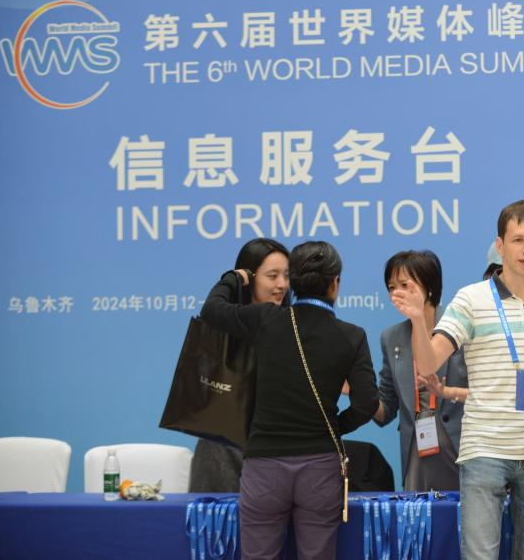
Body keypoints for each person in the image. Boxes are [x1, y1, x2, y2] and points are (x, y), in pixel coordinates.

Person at [398, 200, 524, 560]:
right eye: (518, 240)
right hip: (485, 449)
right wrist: (418, 319)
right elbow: (429, 363)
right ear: (500, 245)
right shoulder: (471, 299)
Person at [200, 240, 378, 560]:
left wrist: (235, 277)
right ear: (335, 283)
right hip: (320, 467)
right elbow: (366, 404)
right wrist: (333, 427)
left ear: (293, 282)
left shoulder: (266, 319)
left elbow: (212, 310)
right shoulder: (352, 335)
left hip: (264, 465)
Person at [189, 237, 290, 493]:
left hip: (274, 450)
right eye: (272, 276)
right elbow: (211, 311)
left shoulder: (291, 324)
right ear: (250, 277)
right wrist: (235, 278)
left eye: (287, 276)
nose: (282, 284)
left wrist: (232, 278)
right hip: (223, 445)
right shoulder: (229, 321)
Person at [373, 249, 468, 491]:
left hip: (462, 448)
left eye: (405, 285)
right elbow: (386, 409)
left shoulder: (460, 326)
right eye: (392, 287)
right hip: (417, 452)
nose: (397, 293)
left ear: (429, 288)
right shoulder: (391, 338)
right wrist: (358, 392)